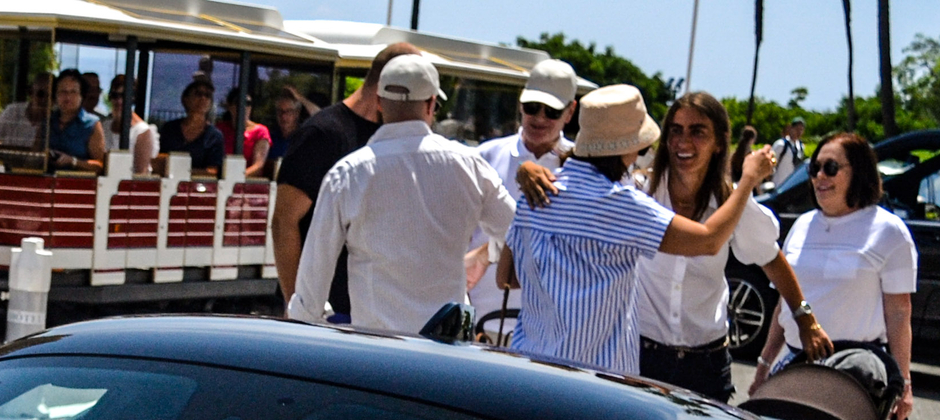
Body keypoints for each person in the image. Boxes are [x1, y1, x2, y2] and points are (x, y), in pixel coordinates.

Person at [502, 84, 773, 376]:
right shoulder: (623, 204)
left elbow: (506, 277)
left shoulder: (533, 194)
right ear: (629, 146)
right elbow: (708, 241)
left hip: (528, 366)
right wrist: (748, 179)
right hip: (592, 380)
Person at [285, 53, 515, 336]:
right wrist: (486, 254)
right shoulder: (470, 165)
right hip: (447, 351)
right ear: (432, 104)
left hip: (376, 352)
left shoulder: (348, 173)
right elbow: (516, 231)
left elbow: (312, 283)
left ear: (380, 104)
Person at [636, 92, 830, 399]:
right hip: (639, 359)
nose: (683, 141)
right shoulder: (641, 194)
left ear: (718, 143)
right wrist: (528, 168)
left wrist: (806, 318)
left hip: (705, 365)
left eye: (697, 131)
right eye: (676, 130)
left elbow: (772, 259)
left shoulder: (733, 205)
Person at [753, 131, 918, 420]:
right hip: (793, 367)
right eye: (814, 168)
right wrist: (765, 364)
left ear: (860, 172)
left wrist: (904, 383)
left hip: (854, 378)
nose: (819, 177)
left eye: (830, 168)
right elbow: (785, 303)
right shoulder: (802, 225)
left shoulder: (889, 232)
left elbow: (899, 312)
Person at [271, 41, 419, 308]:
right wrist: (298, 307)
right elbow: (284, 221)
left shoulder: (388, 137)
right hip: (326, 312)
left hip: (375, 310)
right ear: (388, 87)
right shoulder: (324, 134)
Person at [474, 58, 578, 322]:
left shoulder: (581, 168)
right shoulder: (483, 156)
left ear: (570, 112)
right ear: (521, 104)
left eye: (552, 111)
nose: (540, 118)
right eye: (533, 107)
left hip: (548, 328)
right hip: (478, 321)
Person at [155, 79, 226, 171]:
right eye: (198, 94)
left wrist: (184, 171)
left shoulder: (215, 136)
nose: (203, 98)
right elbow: (156, 158)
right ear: (185, 99)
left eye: (207, 95)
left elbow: (213, 170)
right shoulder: (169, 128)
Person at [47, 68, 108, 167]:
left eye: (73, 92)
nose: (68, 97)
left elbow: (100, 165)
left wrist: (74, 162)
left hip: (78, 180)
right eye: (63, 92)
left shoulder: (91, 124)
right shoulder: (48, 122)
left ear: (81, 95)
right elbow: (35, 155)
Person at [105, 74, 158, 174]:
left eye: (124, 96)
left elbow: (141, 173)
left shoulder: (142, 132)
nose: (119, 101)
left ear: (133, 98)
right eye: (115, 96)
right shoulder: (104, 126)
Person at [0, 74, 52, 149]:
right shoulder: (13, 111)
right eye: (41, 94)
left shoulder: (54, 123)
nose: (45, 100)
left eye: (50, 96)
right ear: (31, 93)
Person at [264, 85, 305, 169]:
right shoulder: (270, 137)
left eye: (288, 111)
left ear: (297, 113)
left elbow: (321, 117)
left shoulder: (304, 136)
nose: (283, 116)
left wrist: (300, 98)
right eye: (280, 111)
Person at [767, 118, 805, 190]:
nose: (799, 132)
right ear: (791, 128)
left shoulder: (800, 146)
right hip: (778, 185)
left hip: (792, 187)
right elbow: (770, 162)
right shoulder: (781, 144)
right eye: (797, 129)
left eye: (801, 130)